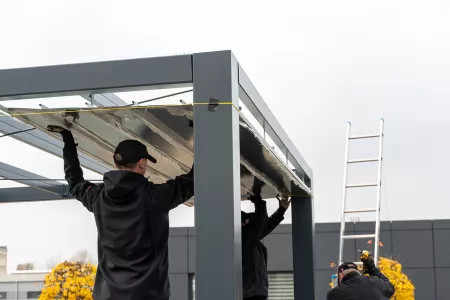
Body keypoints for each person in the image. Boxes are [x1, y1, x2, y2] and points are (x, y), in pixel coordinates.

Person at [48, 124, 194, 300]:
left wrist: (68, 141)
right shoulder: (156, 196)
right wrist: (201, 134)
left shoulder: (98, 196)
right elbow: (193, 180)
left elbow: (74, 182)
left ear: (116, 163)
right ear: (142, 163)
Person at [241, 190, 291, 300]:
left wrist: (281, 210)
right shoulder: (244, 240)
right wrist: (258, 202)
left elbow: (265, 226)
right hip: (251, 294)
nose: (249, 223)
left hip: (255, 292)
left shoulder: (250, 240)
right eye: (246, 221)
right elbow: (261, 222)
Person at [326, 257, 395, 300]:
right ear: (357, 272)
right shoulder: (376, 282)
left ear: (340, 275)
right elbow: (390, 288)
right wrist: (372, 269)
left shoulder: (334, 294)